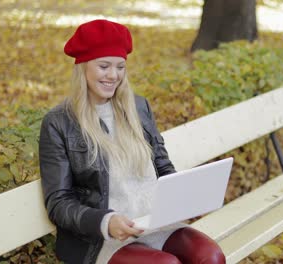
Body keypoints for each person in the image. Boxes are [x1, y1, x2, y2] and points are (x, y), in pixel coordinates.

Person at [39, 19, 225, 264]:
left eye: (120, 67)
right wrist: (106, 221)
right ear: (83, 67)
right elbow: (59, 202)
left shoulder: (138, 107)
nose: (113, 76)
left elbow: (162, 165)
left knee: (210, 256)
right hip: (105, 238)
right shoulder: (59, 122)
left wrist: (185, 200)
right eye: (104, 66)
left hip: (155, 222)